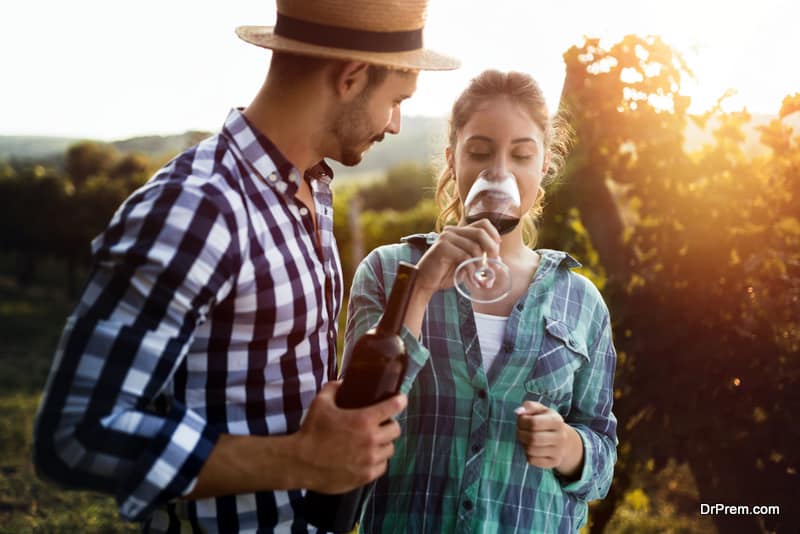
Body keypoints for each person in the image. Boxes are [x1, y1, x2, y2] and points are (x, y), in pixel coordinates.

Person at [32, 1, 459, 532]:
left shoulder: (313, 189)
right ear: (351, 76)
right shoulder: (196, 209)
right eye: (396, 101)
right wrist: (301, 459)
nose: (396, 124)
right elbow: (76, 436)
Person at [344, 70, 618, 532]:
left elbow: (603, 456)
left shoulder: (581, 300)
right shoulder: (388, 271)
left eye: (522, 155)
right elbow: (352, 420)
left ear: (545, 164)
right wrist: (423, 286)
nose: (500, 172)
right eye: (480, 151)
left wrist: (572, 449)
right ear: (452, 160)